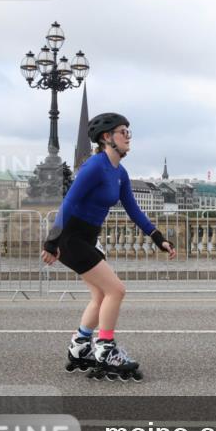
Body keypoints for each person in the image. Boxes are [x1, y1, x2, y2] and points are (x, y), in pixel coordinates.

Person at [41, 113, 176, 381]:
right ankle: (105, 348)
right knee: (116, 289)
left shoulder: (120, 173)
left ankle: (80, 346)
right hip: (71, 238)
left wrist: (157, 236)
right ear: (107, 137)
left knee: (102, 295)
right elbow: (69, 202)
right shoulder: (94, 166)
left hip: (88, 238)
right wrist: (52, 240)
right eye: (123, 131)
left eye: (128, 132)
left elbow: (133, 210)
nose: (128, 137)